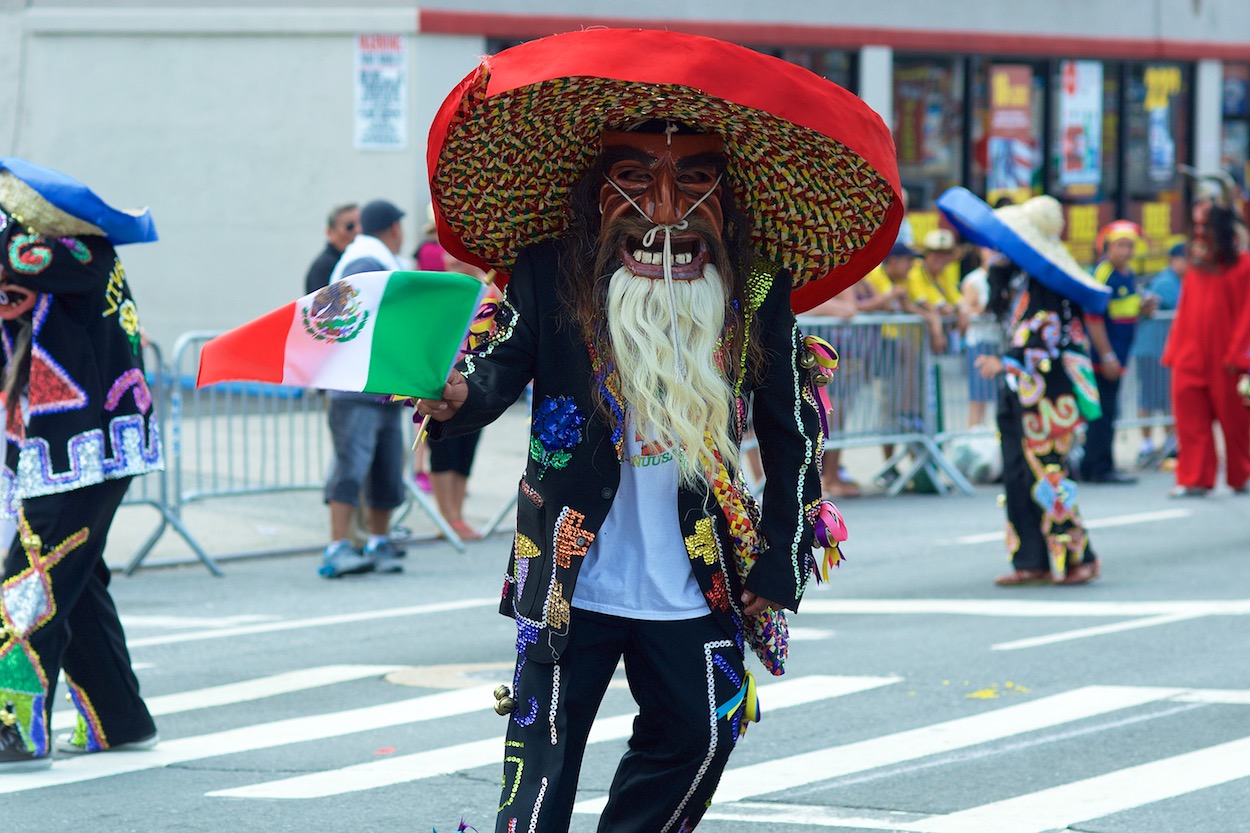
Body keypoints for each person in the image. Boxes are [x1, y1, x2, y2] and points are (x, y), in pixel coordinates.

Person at [419, 29, 901, 833]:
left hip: (697, 564)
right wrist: (458, 393)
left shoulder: (753, 286)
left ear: (726, 196)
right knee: (543, 747)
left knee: (702, 731)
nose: (665, 208)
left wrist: (780, 561)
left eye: (694, 182)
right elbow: (500, 366)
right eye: (635, 179)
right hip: (573, 561)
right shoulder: (553, 267)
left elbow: (793, 431)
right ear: (597, 189)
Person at [0, 158, 163, 770]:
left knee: (33, 579)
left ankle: (14, 723)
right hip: (59, 447)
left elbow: (27, 268)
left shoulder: (73, 252)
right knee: (74, 580)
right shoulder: (41, 252)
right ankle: (118, 717)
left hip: (82, 445)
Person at [938, 187, 1109, 586]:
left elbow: (1045, 337)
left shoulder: (1048, 287)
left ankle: (1079, 557)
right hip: (1020, 391)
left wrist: (1006, 361)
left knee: (1050, 473)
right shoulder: (1018, 282)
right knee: (1016, 474)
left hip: (1051, 396)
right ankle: (1030, 559)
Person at [317, 199, 409, 578]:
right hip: (357, 387)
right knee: (351, 466)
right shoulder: (366, 262)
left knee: (386, 466)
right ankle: (338, 546)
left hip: (380, 384)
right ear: (392, 228)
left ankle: (377, 540)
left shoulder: (372, 259)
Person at [1161, 174, 1250, 497]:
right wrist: (1173, 350)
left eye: (1206, 230)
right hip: (1190, 354)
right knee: (1190, 419)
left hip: (1226, 357)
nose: (1199, 237)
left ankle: (1241, 474)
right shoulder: (1196, 268)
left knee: (1236, 421)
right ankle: (1194, 477)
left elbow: (1247, 314)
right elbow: (1185, 311)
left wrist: (1238, 354)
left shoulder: (1242, 266)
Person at [1080, 220, 1154, 484]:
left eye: (1129, 246)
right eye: (1121, 245)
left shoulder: (1129, 274)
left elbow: (1127, 309)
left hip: (1120, 355)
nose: (1126, 251)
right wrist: (1107, 355)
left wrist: (1144, 308)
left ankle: (1103, 462)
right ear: (1108, 247)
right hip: (1104, 357)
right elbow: (1094, 319)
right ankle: (1095, 466)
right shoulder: (1103, 274)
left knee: (1110, 410)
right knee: (1102, 411)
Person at [1132, 240, 1185, 467]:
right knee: (1150, 397)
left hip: (1164, 350)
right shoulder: (1166, 282)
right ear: (1174, 260)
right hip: (1152, 349)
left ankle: (1170, 444)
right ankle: (1146, 445)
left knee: (1165, 398)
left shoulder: (1179, 280)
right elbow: (1181, 306)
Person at [961, 246, 1000, 428]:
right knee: (978, 396)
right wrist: (987, 309)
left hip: (998, 342)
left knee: (995, 396)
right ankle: (974, 436)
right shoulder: (974, 280)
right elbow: (965, 312)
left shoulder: (1002, 277)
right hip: (979, 342)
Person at [303, 203, 359, 295]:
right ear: (330, 232)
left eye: (362, 224)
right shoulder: (324, 266)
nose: (358, 230)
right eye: (350, 226)